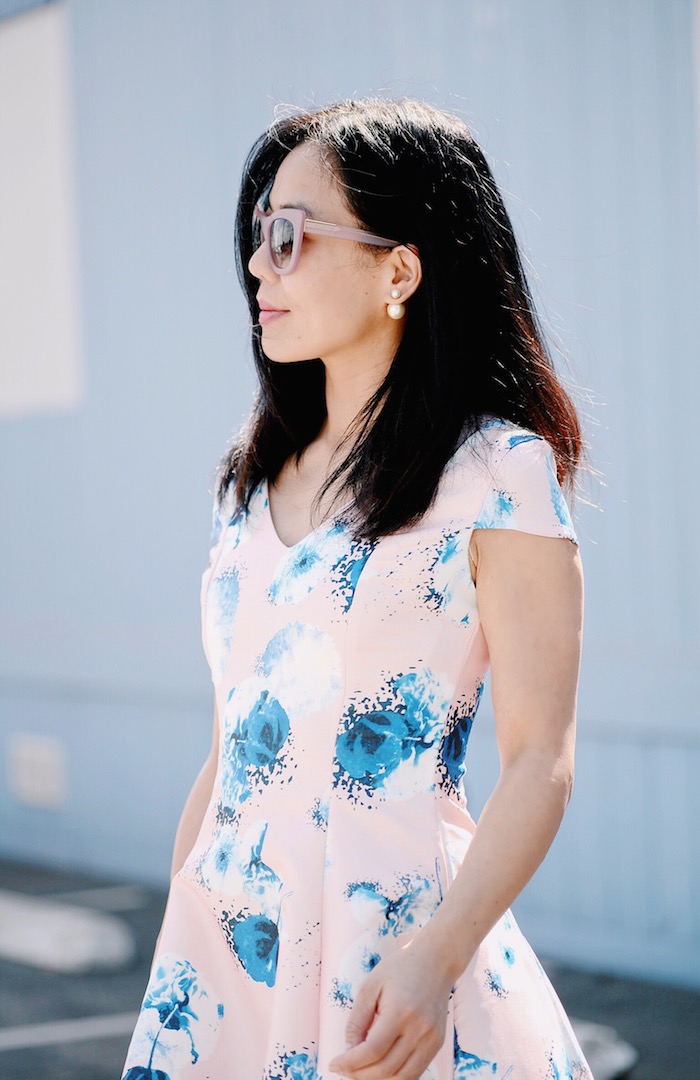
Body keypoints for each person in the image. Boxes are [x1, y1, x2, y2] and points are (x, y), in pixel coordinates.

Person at [122, 98, 592, 1080]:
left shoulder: (496, 470)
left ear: (399, 269)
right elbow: (230, 751)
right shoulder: (245, 485)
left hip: (396, 958)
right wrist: (180, 934)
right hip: (224, 970)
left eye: (289, 235)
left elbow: (539, 756)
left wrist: (437, 957)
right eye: (257, 236)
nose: (259, 264)